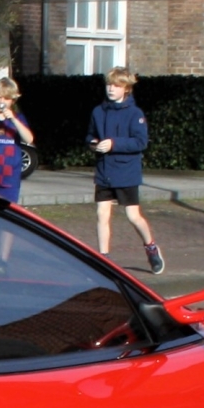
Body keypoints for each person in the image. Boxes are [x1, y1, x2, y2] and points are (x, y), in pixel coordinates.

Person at [89, 66, 162, 273]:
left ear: (126, 89)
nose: (111, 89)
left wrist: (114, 144)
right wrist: (94, 144)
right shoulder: (98, 111)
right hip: (104, 170)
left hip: (126, 172)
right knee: (102, 213)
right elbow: (90, 136)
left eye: (116, 85)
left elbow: (140, 142)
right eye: (109, 84)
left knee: (133, 216)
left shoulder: (135, 113)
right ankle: (104, 258)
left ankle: (151, 248)